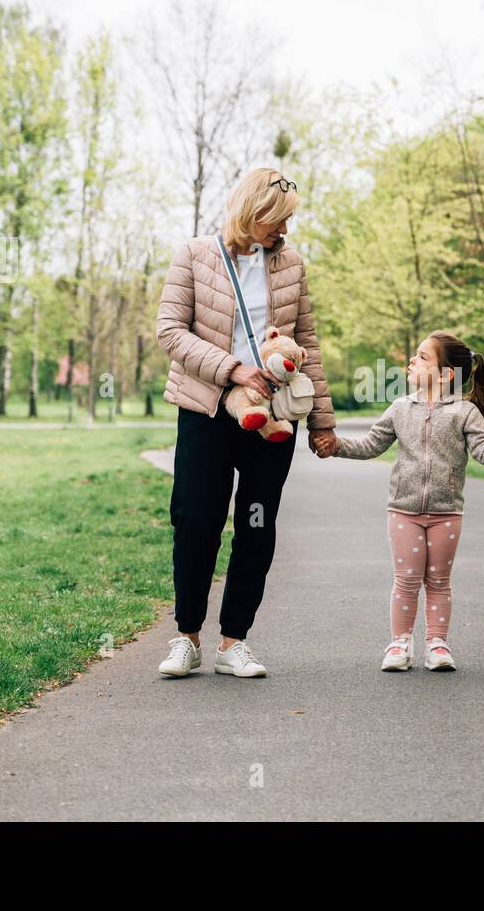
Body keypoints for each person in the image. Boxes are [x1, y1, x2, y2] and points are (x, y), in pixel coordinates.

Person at [154, 168, 338, 679]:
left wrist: (321, 420)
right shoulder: (195, 256)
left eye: (288, 221)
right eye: (277, 220)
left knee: (256, 524)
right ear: (251, 212)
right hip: (207, 410)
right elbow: (170, 331)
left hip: (272, 416)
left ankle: (234, 642)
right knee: (196, 521)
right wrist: (233, 369)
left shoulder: (291, 264)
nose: (285, 230)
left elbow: (307, 341)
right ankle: (187, 637)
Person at [329, 331, 484, 672]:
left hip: (447, 513)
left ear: (445, 375)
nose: (412, 360)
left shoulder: (464, 413)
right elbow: (371, 445)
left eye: (423, 357)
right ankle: (400, 643)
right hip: (404, 510)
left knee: (439, 581)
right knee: (406, 580)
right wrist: (336, 445)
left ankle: (437, 644)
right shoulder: (400, 408)